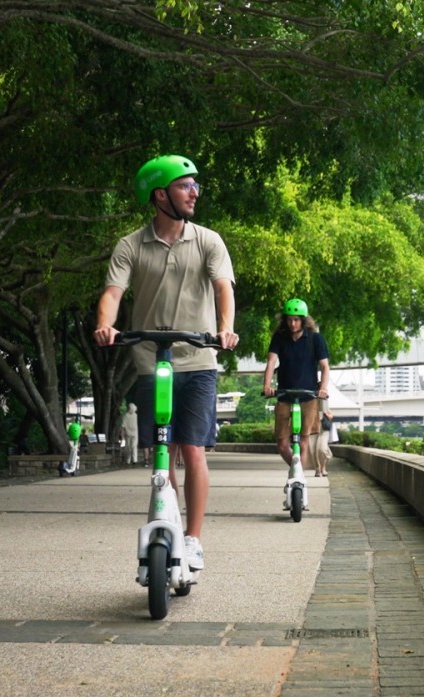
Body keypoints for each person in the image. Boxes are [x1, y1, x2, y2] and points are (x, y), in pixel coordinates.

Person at [94, 154, 238, 572]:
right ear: (160, 195)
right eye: (184, 185)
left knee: (191, 447)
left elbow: (223, 288)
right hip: (150, 359)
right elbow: (112, 294)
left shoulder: (208, 240)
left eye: (195, 185)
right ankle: (166, 516)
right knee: (161, 448)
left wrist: (225, 328)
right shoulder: (130, 245)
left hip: (197, 359)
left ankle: (193, 539)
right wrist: (106, 325)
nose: (194, 192)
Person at [262, 298, 330, 472]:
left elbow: (324, 367)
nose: (293, 323)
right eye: (289, 319)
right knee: (283, 444)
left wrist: (323, 388)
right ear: (285, 320)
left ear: (304, 320)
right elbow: (271, 362)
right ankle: (296, 470)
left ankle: (300, 479)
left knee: (304, 440)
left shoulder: (316, 339)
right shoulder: (279, 337)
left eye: (297, 319)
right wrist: (267, 385)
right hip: (284, 395)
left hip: (308, 395)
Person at [309, 407, 337, 478]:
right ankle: (317, 469)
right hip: (311, 421)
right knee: (313, 449)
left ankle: (323, 467)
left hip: (323, 423)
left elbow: (326, 404)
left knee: (322, 448)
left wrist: (329, 416)